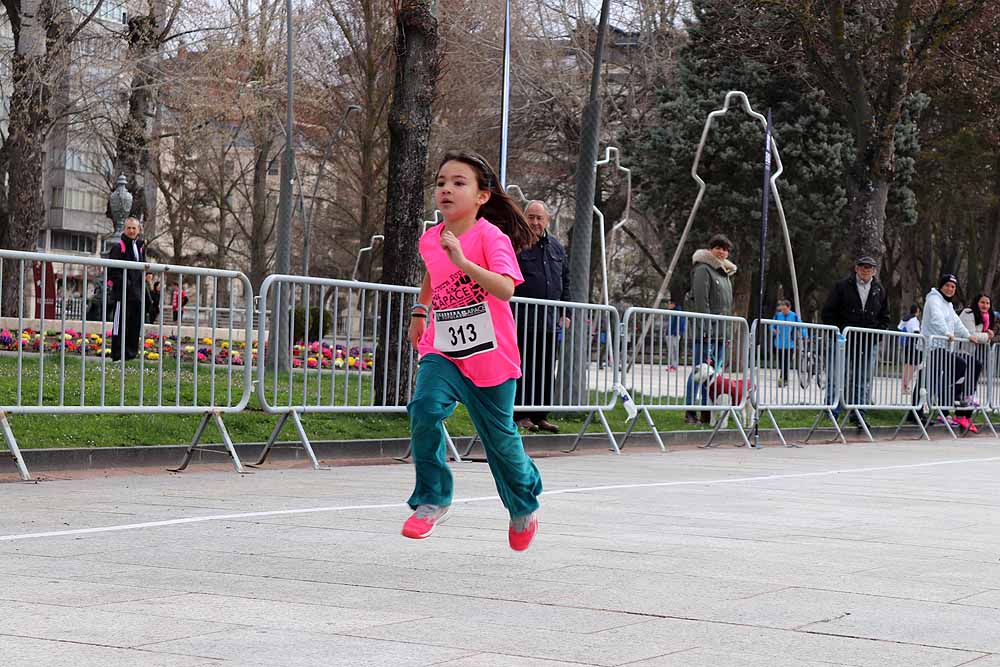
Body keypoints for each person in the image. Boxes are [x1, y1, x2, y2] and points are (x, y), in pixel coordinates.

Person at [403, 150, 543, 551]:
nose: (447, 189)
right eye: (442, 182)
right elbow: (434, 270)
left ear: (482, 196)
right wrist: (419, 311)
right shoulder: (432, 239)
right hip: (444, 347)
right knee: (425, 409)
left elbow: (505, 288)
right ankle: (431, 499)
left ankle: (523, 503)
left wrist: (463, 261)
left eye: (459, 183)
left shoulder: (490, 237)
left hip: (490, 353)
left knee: (499, 440)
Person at [512, 200, 570, 434]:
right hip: (522, 319)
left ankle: (541, 415)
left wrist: (566, 312)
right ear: (524, 218)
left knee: (545, 368)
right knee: (523, 369)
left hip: (548, 321)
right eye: (531, 217)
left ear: (548, 221)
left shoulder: (556, 247)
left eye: (539, 218)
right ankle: (521, 414)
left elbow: (565, 280)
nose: (535, 222)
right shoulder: (516, 244)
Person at [820, 256, 891, 426]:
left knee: (863, 378)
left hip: (867, 342)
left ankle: (859, 413)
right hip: (843, 340)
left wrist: (876, 336)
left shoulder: (879, 290)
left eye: (869, 267)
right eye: (862, 267)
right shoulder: (842, 286)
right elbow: (828, 312)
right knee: (836, 376)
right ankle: (832, 411)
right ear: (856, 268)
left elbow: (885, 317)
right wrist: (837, 333)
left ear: (874, 271)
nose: (865, 270)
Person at [921, 275, 988, 432]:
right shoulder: (934, 299)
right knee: (956, 366)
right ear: (941, 286)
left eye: (953, 287)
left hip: (944, 346)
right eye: (947, 286)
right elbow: (936, 318)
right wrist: (946, 332)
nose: (950, 289)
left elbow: (957, 323)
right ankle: (945, 401)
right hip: (932, 345)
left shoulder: (948, 305)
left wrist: (968, 336)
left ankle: (959, 397)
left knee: (972, 365)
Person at [684, 234, 736, 425]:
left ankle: (707, 411)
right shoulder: (703, 269)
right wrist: (705, 329)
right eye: (718, 248)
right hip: (705, 332)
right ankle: (689, 411)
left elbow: (726, 306)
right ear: (710, 249)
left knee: (714, 373)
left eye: (725, 249)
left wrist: (727, 333)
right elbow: (701, 301)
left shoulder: (725, 273)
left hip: (722, 333)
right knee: (700, 371)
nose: (722, 252)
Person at [107, 217, 147, 361]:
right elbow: (113, 271)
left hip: (137, 295)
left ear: (138, 230)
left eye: (134, 228)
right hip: (122, 295)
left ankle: (130, 355)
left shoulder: (140, 248)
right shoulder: (118, 248)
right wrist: (127, 285)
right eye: (128, 228)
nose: (131, 231)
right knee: (120, 326)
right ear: (124, 229)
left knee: (134, 326)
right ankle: (117, 355)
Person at [771, 299, 801, 387]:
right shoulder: (777, 316)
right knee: (781, 362)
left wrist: (804, 336)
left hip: (790, 344)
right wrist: (773, 330)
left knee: (787, 362)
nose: (783, 311)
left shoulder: (794, 316)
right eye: (782, 309)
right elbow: (771, 325)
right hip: (779, 344)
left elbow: (801, 326)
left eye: (785, 309)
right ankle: (783, 379)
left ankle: (783, 379)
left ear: (789, 308)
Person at [897, 304, 921, 395]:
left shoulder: (905, 318)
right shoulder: (914, 320)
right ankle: (906, 385)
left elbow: (899, 328)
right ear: (917, 311)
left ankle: (904, 386)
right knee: (912, 365)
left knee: (907, 365)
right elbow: (916, 331)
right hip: (913, 343)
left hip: (905, 343)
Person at [666, 298, 685, 371]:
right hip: (670, 333)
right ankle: (672, 364)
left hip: (675, 333)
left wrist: (677, 332)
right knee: (671, 350)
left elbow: (680, 324)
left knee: (674, 349)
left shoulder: (678, 312)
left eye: (669, 303)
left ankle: (675, 365)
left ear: (673, 304)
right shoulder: (672, 312)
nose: (668, 305)